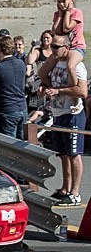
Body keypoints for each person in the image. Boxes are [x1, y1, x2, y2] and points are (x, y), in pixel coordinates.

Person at [38, 34, 88, 205]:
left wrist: (59, 92)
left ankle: (75, 192)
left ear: (66, 47)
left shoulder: (76, 66)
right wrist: (45, 87)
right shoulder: (55, 63)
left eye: (56, 47)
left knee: (74, 154)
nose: (53, 50)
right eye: (52, 46)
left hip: (73, 113)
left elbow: (82, 92)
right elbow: (45, 76)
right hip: (58, 112)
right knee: (63, 154)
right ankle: (65, 188)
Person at [0, 36, 28, 139]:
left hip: (7, 110)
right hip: (22, 108)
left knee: (9, 144)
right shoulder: (21, 63)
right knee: (21, 143)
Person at [47, 0, 85, 89]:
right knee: (43, 71)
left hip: (76, 47)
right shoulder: (57, 14)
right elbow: (55, 31)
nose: (61, 4)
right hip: (62, 47)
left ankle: (73, 90)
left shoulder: (77, 13)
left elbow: (67, 28)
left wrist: (68, 12)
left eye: (64, 1)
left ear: (71, 0)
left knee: (70, 66)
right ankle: (54, 88)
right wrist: (60, 15)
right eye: (59, 2)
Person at [25, 30, 54, 114]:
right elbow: (29, 61)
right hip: (40, 80)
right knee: (38, 105)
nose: (45, 40)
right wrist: (33, 47)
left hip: (52, 80)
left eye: (47, 38)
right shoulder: (39, 51)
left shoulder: (55, 51)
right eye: (44, 38)